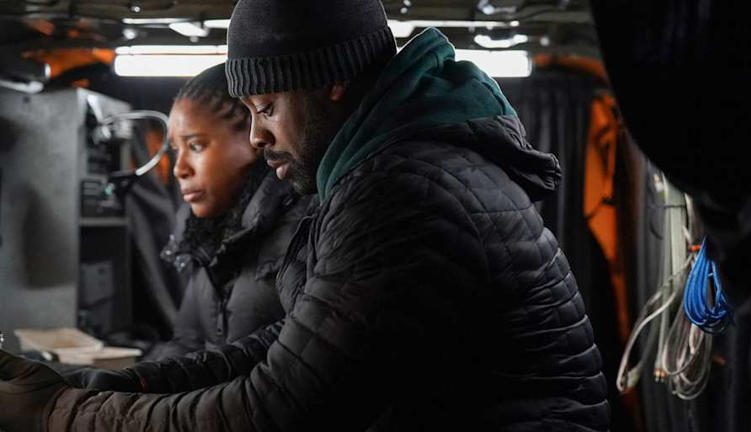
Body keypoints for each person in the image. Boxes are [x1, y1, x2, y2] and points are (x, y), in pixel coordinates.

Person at [0, 1, 609, 430]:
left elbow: (276, 409)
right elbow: (294, 342)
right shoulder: (396, 171)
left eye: (266, 105)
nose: (259, 135)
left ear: (331, 82)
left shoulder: (405, 191)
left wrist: (58, 416)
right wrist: (113, 386)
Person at [65, 63, 313, 391]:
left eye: (195, 146)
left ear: (253, 137)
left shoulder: (307, 230)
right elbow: (187, 344)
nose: (179, 169)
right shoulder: (205, 235)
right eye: (176, 151)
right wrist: (121, 386)